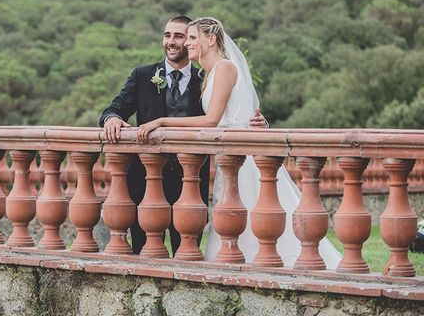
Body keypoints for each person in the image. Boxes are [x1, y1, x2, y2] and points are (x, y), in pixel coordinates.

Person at [137, 17, 341, 268]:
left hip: (240, 158)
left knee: (249, 209)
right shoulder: (210, 73)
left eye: (192, 38)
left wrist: (162, 122)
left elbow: (212, 120)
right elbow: (239, 112)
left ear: (210, 39)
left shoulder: (224, 68)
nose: (186, 44)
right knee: (235, 213)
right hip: (227, 157)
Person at [99, 15, 267, 255]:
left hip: (190, 178)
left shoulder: (206, 78)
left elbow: (230, 113)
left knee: (187, 252)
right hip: (145, 178)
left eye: (181, 36)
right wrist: (112, 119)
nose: (173, 41)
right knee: (142, 251)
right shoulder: (142, 76)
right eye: (168, 35)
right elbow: (113, 108)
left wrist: (259, 122)